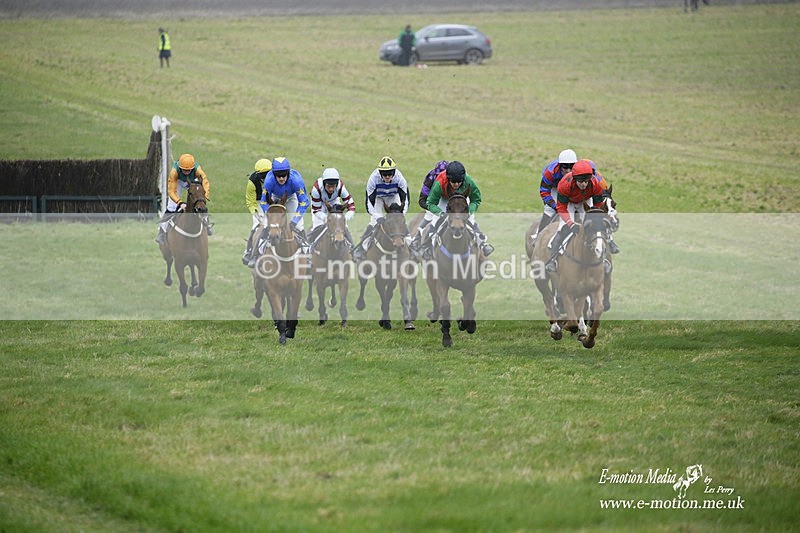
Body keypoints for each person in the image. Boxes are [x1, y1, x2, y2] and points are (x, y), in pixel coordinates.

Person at [421, 160, 494, 259]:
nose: (456, 184)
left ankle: (482, 243)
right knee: (435, 222)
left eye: (459, 182)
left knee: (471, 222)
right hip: (444, 200)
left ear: (463, 179)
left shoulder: (469, 181)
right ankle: (428, 247)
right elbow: (430, 203)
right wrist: (441, 214)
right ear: (448, 178)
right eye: (453, 182)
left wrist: (470, 211)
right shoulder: (440, 182)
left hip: (462, 201)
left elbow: (476, 199)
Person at [544, 159, 607, 272]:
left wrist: (597, 218)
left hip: (585, 201)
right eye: (580, 181)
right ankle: (552, 259)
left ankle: (604, 258)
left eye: (586, 181)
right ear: (574, 179)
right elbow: (561, 208)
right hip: (569, 203)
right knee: (563, 228)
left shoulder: (595, 184)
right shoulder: (564, 184)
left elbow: (598, 204)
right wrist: (570, 223)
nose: (583, 184)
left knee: (597, 226)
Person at [248, 157, 310, 266]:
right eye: (278, 176)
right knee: (266, 225)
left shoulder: (296, 180)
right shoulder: (269, 180)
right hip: (274, 198)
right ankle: (255, 255)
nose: (281, 178)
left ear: (288, 173)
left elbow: (304, 202)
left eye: (284, 175)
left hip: (291, 198)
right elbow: (263, 202)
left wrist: (294, 221)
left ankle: (308, 256)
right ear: (273, 174)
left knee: (299, 226)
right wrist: (271, 217)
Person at [352, 156, 410, 262]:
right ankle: (361, 248)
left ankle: (412, 247)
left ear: (394, 172)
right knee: (374, 221)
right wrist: (378, 217)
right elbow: (369, 203)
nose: (387, 176)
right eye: (384, 174)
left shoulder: (400, 178)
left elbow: (406, 200)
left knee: (398, 220)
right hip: (378, 198)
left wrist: (401, 214)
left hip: (393, 195)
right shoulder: (373, 179)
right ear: (380, 173)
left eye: (390, 174)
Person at [155, 153, 212, 244]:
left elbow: (205, 181)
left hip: (193, 181)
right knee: (171, 207)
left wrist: (204, 196)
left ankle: (207, 224)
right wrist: (180, 202)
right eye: (184, 170)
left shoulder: (198, 170)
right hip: (179, 181)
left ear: (192, 168)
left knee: (200, 203)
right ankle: (162, 231)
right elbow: (171, 191)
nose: (186, 172)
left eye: (188, 170)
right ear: (180, 168)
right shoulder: (174, 172)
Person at [532, 148, 578, 244]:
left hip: (570, 187)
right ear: (560, 166)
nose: (569, 171)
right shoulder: (551, 172)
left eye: (571, 167)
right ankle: (538, 235)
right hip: (553, 187)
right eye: (565, 168)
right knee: (550, 210)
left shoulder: (579, 171)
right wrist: (554, 205)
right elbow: (544, 191)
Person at [307, 167, 356, 247]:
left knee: (344, 227)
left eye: (333, 186)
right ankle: (308, 249)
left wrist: (345, 218)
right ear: (324, 184)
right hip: (319, 204)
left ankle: (352, 249)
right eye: (328, 186)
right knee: (318, 226)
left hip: (334, 201)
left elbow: (352, 206)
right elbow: (316, 210)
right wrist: (324, 217)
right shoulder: (316, 189)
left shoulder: (341, 187)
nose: (331, 189)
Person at [410, 160, 448, 257]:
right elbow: (422, 200)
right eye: (439, 176)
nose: (441, 179)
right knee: (429, 216)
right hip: (432, 202)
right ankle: (417, 240)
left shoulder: (453, 179)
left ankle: (479, 241)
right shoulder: (430, 179)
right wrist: (433, 208)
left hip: (448, 201)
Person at [241, 158, 271, 266]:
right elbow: (250, 201)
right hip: (258, 203)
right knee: (257, 225)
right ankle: (250, 252)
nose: (265, 179)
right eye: (262, 176)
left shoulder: (275, 178)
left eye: (267, 175)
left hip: (271, 202)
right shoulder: (252, 182)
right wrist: (257, 213)